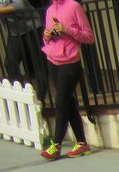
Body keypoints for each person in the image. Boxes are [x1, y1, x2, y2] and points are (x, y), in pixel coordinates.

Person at [40, 0, 93, 160]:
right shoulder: (50, 10)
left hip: (70, 62)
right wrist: (46, 36)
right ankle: (82, 143)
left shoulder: (74, 6)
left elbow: (89, 37)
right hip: (52, 59)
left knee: (61, 102)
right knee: (68, 102)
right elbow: (47, 36)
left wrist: (67, 29)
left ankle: (56, 145)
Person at [0, 0, 46, 102]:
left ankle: (40, 97)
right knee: (10, 63)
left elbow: (20, 4)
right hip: (14, 31)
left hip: (31, 25)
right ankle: (21, 95)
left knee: (38, 62)